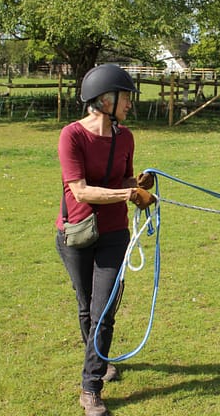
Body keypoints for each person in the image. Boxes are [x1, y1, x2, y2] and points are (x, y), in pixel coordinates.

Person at [55, 64, 155, 416]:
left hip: (114, 233)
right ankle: (98, 360)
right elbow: (80, 192)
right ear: (104, 99)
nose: (129, 103)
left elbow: (122, 176)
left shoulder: (125, 137)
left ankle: (91, 387)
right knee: (87, 307)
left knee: (103, 311)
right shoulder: (72, 136)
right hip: (76, 232)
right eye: (125, 96)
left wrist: (138, 183)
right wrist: (127, 195)